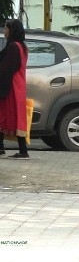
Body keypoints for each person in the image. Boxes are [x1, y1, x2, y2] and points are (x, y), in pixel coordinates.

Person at [0, 19, 29, 159]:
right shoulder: (21, 46)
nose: (4, 31)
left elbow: (6, 69)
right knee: (13, 117)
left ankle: (23, 151)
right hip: (18, 86)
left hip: (11, 87)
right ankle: (17, 149)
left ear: (11, 31)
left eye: (6, 29)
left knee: (5, 116)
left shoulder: (13, 47)